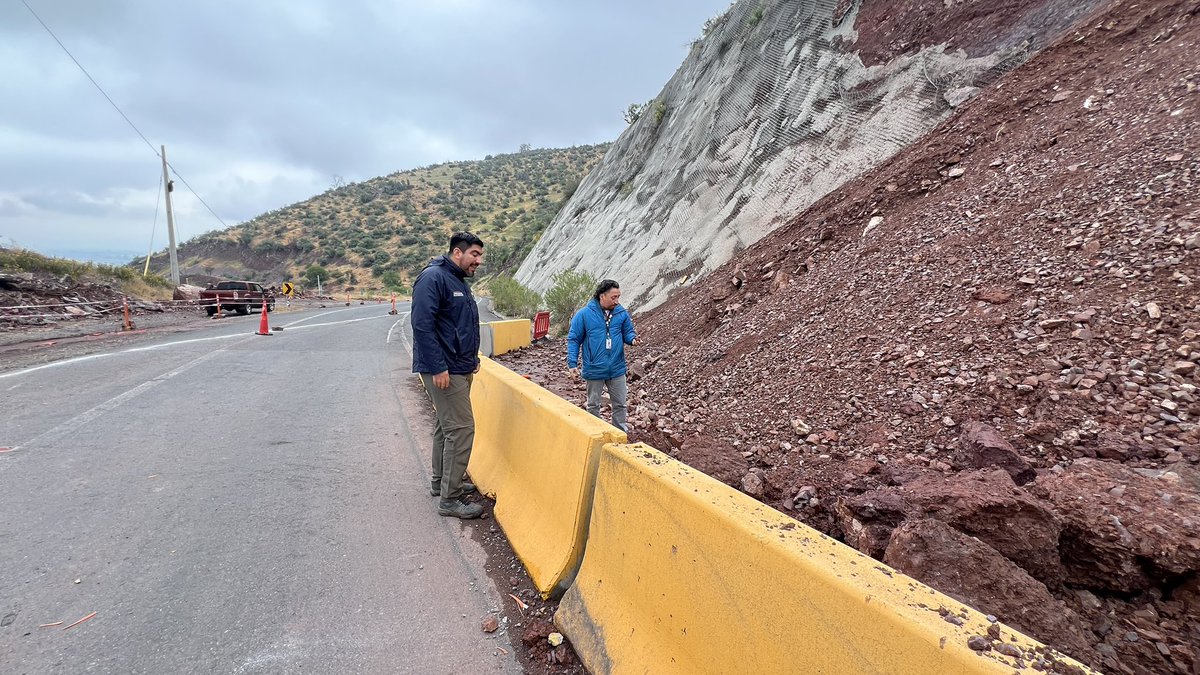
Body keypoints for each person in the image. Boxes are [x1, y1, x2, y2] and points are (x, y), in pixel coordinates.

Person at [411, 232, 485, 519]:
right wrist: (438, 366)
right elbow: (422, 325)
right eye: (474, 255)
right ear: (458, 252)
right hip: (445, 370)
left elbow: (462, 325)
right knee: (462, 429)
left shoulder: (457, 281)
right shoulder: (434, 278)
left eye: (480, 256)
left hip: (460, 366)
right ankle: (450, 499)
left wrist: (472, 358)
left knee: (446, 426)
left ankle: (441, 483)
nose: (478, 261)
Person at [567, 279, 637, 432]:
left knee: (620, 404)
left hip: (617, 368)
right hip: (594, 369)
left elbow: (628, 332)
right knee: (593, 405)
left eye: (618, 297)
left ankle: (619, 434)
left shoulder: (621, 313)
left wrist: (633, 339)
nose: (617, 301)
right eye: (614, 297)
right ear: (602, 296)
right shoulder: (584, 315)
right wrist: (572, 364)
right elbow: (573, 339)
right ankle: (595, 433)